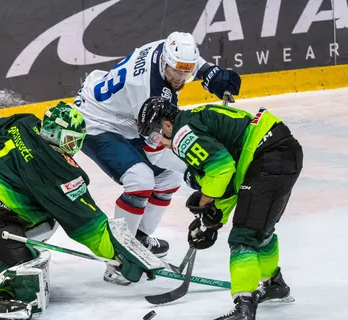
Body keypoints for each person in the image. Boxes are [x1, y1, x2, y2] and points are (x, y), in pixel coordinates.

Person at [0, 102, 163, 320]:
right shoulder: (60, 171)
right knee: (28, 262)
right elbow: (89, 226)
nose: (71, 147)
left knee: (38, 218)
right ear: (53, 132)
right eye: (68, 140)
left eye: (76, 141)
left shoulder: (21, 123)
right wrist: (120, 255)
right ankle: (5, 296)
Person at [136, 97, 303, 320]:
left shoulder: (183, 134)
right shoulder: (194, 120)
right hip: (281, 151)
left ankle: (243, 314)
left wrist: (204, 204)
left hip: (268, 156)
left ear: (167, 124)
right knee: (260, 231)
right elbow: (229, 182)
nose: (157, 142)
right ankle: (274, 284)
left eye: (154, 134)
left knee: (244, 238)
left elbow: (221, 169)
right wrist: (210, 222)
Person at [73, 31, 241, 265]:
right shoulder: (147, 92)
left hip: (125, 117)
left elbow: (186, 60)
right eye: (176, 72)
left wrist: (208, 72)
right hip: (96, 122)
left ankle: (138, 239)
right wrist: (195, 171)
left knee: (169, 179)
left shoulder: (167, 50)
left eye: (187, 72)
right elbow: (157, 149)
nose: (181, 78)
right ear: (164, 62)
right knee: (140, 180)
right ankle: (119, 256)